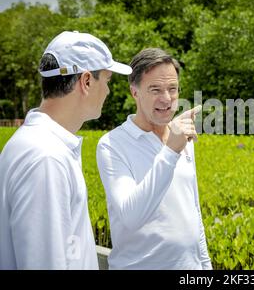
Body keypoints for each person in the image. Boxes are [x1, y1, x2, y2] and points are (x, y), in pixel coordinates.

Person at [0, 31, 132, 269]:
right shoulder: (46, 158)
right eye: (108, 80)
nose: (109, 91)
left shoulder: (33, 143)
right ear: (87, 81)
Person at [96, 48, 212, 270]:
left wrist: (205, 266)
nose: (166, 99)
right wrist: (170, 152)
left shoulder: (181, 136)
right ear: (135, 92)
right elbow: (131, 216)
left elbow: (192, 210)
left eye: (173, 89)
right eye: (155, 89)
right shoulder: (112, 145)